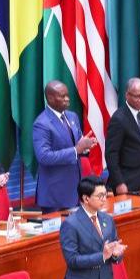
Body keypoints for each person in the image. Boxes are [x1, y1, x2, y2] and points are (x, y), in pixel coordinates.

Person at [60, 176, 127, 279]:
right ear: (86, 199)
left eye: (105, 194)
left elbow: (113, 252)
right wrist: (102, 256)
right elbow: (72, 260)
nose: (104, 199)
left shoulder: (107, 219)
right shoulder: (71, 224)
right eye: (100, 195)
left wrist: (116, 254)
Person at [33, 81, 97, 213]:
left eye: (67, 95)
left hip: (76, 190)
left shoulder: (72, 116)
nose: (67, 99)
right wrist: (76, 150)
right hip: (55, 195)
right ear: (50, 98)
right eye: (62, 96)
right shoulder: (42, 123)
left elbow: (78, 144)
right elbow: (44, 156)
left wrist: (86, 146)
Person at [105, 78, 140, 195]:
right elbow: (111, 154)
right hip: (127, 181)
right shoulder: (118, 119)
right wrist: (119, 182)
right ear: (127, 95)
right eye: (137, 96)